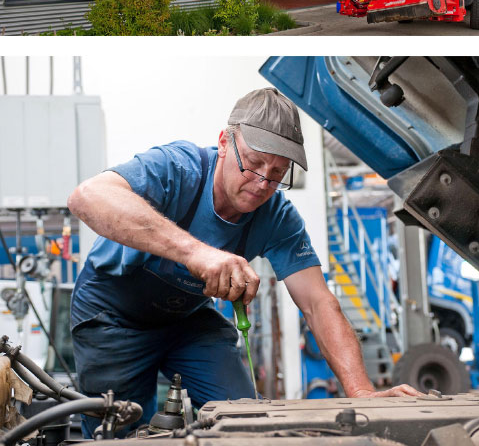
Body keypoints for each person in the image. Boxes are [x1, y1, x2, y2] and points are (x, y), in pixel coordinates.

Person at [67, 88, 423, 436]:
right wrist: (196, 252)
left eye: (278, 173)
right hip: (112, 315)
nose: (262, 182)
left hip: (186, 323)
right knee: (117, 427)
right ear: (224, 142)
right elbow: (87, 196)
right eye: (253, 164)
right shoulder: (176, 169)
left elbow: (317, 302)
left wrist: (361, 392)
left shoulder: (278, 217)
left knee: (245, 420)